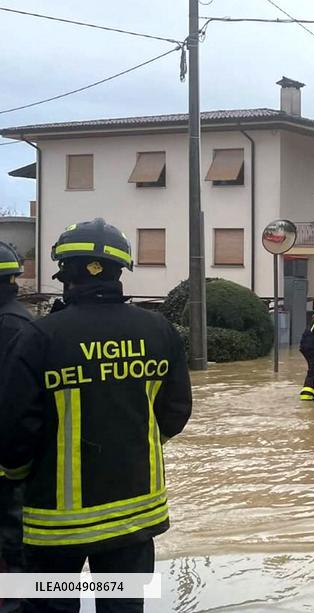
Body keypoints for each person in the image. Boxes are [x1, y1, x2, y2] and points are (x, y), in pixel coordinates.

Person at [0, 219, 192, 613]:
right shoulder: (159, 330)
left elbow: (15, 428)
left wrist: (18, 475)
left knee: (50, 607)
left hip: (55, 523)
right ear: (120, 271)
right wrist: (135, 441)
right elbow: (176, 411)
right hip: (136, 516)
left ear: (66, 273)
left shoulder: (39, 337)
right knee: (123, 606)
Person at [0, 241, 32, 613]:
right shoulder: (18, 323)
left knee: (13, 551)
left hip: (8, 475)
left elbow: (18, 406)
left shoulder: (12, 327)